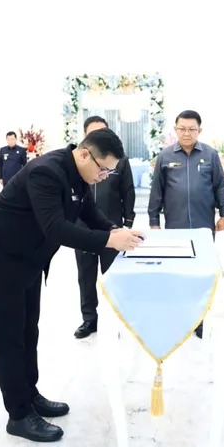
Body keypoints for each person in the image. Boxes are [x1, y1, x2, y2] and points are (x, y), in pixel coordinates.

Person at [0, 128, 147, 443]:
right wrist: (108, 240)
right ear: (84, 154)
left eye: (109, 173)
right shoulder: (46, 172)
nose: (103, 177)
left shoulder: (79, 173)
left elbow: (89, 213)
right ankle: (19, 415)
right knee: (8, 337)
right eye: (103, 170)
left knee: (28, 330)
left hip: (26, 257)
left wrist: (117, 232)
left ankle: (30, 395)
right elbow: (57, 229)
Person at [147, 110, 224, 338]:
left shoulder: (210, 155)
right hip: (176, 227)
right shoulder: (165, 156)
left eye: (192, 129)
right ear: (175, 130)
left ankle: (198, 319)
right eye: (182, 129)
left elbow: (220, 186)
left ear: (199, 131)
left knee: (201, 272)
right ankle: (180, 315)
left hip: (203, 227)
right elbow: (157, 191)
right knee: (178, 271)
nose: (186, 133)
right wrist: (154, 221)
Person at [73, 116, 136, 339]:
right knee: (85, 276)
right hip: (83, 229)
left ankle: (122, 319)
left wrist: (128, 222)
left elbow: (128, 191)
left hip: (112, 227)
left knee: (116, 276)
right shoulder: (78, 162)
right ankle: (89, 319)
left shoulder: (119, 161)